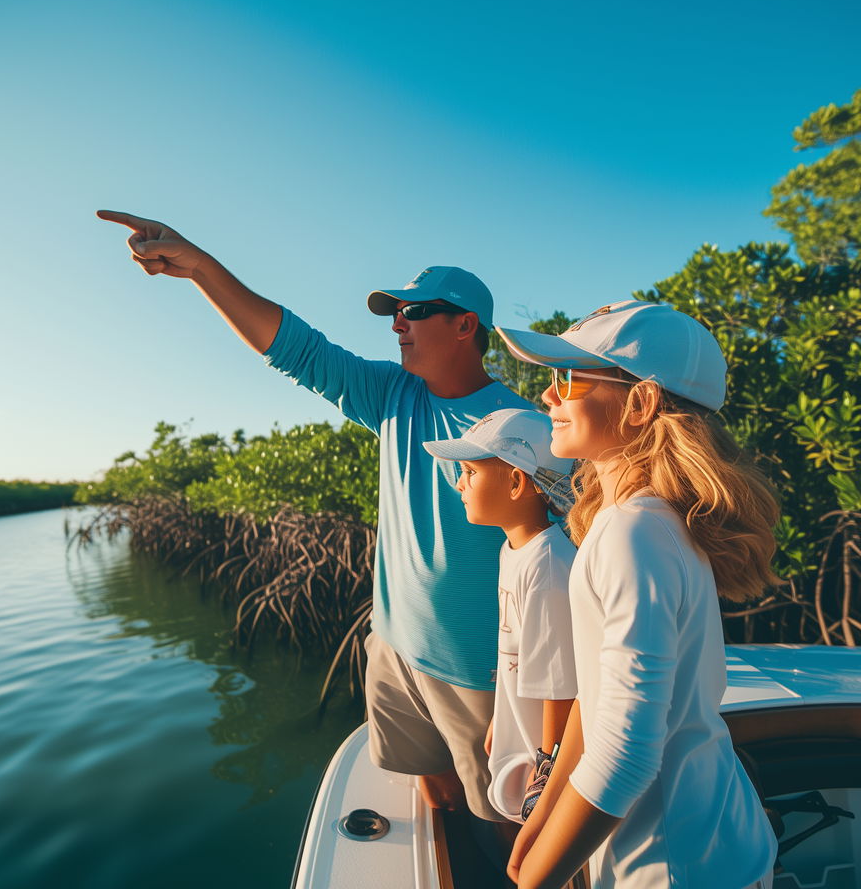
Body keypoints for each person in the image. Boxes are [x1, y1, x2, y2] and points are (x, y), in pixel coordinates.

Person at [97, 210, 534, 822]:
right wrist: (198, 267)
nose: (398, 325)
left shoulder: (522, 430)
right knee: (434, 799)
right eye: (394, 314)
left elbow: (555, 559)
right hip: (394, 647)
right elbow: (295, 348)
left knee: (504, 826)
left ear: (465, 325)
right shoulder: (391, 395)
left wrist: (530, 690)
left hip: (479, 671)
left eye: (414, 312)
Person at [495, 300, 780, 889]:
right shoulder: (641, 521)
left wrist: (537, 880)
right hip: (700, 842)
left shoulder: (635, 531)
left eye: (568, 377)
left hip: (672, 864)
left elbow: (625, 752)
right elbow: (599, 701)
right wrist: (546, 810)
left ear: (641, 402)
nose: (548, 396)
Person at [422, 408, 577, 830]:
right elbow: (520, 652)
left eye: (470, 472)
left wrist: (544, 777)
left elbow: (561, 688)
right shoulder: (516, 551)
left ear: (516, 482)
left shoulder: (547, 565)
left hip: (539, 763)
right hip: (519, 742)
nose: (459, 484)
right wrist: (500, 718)